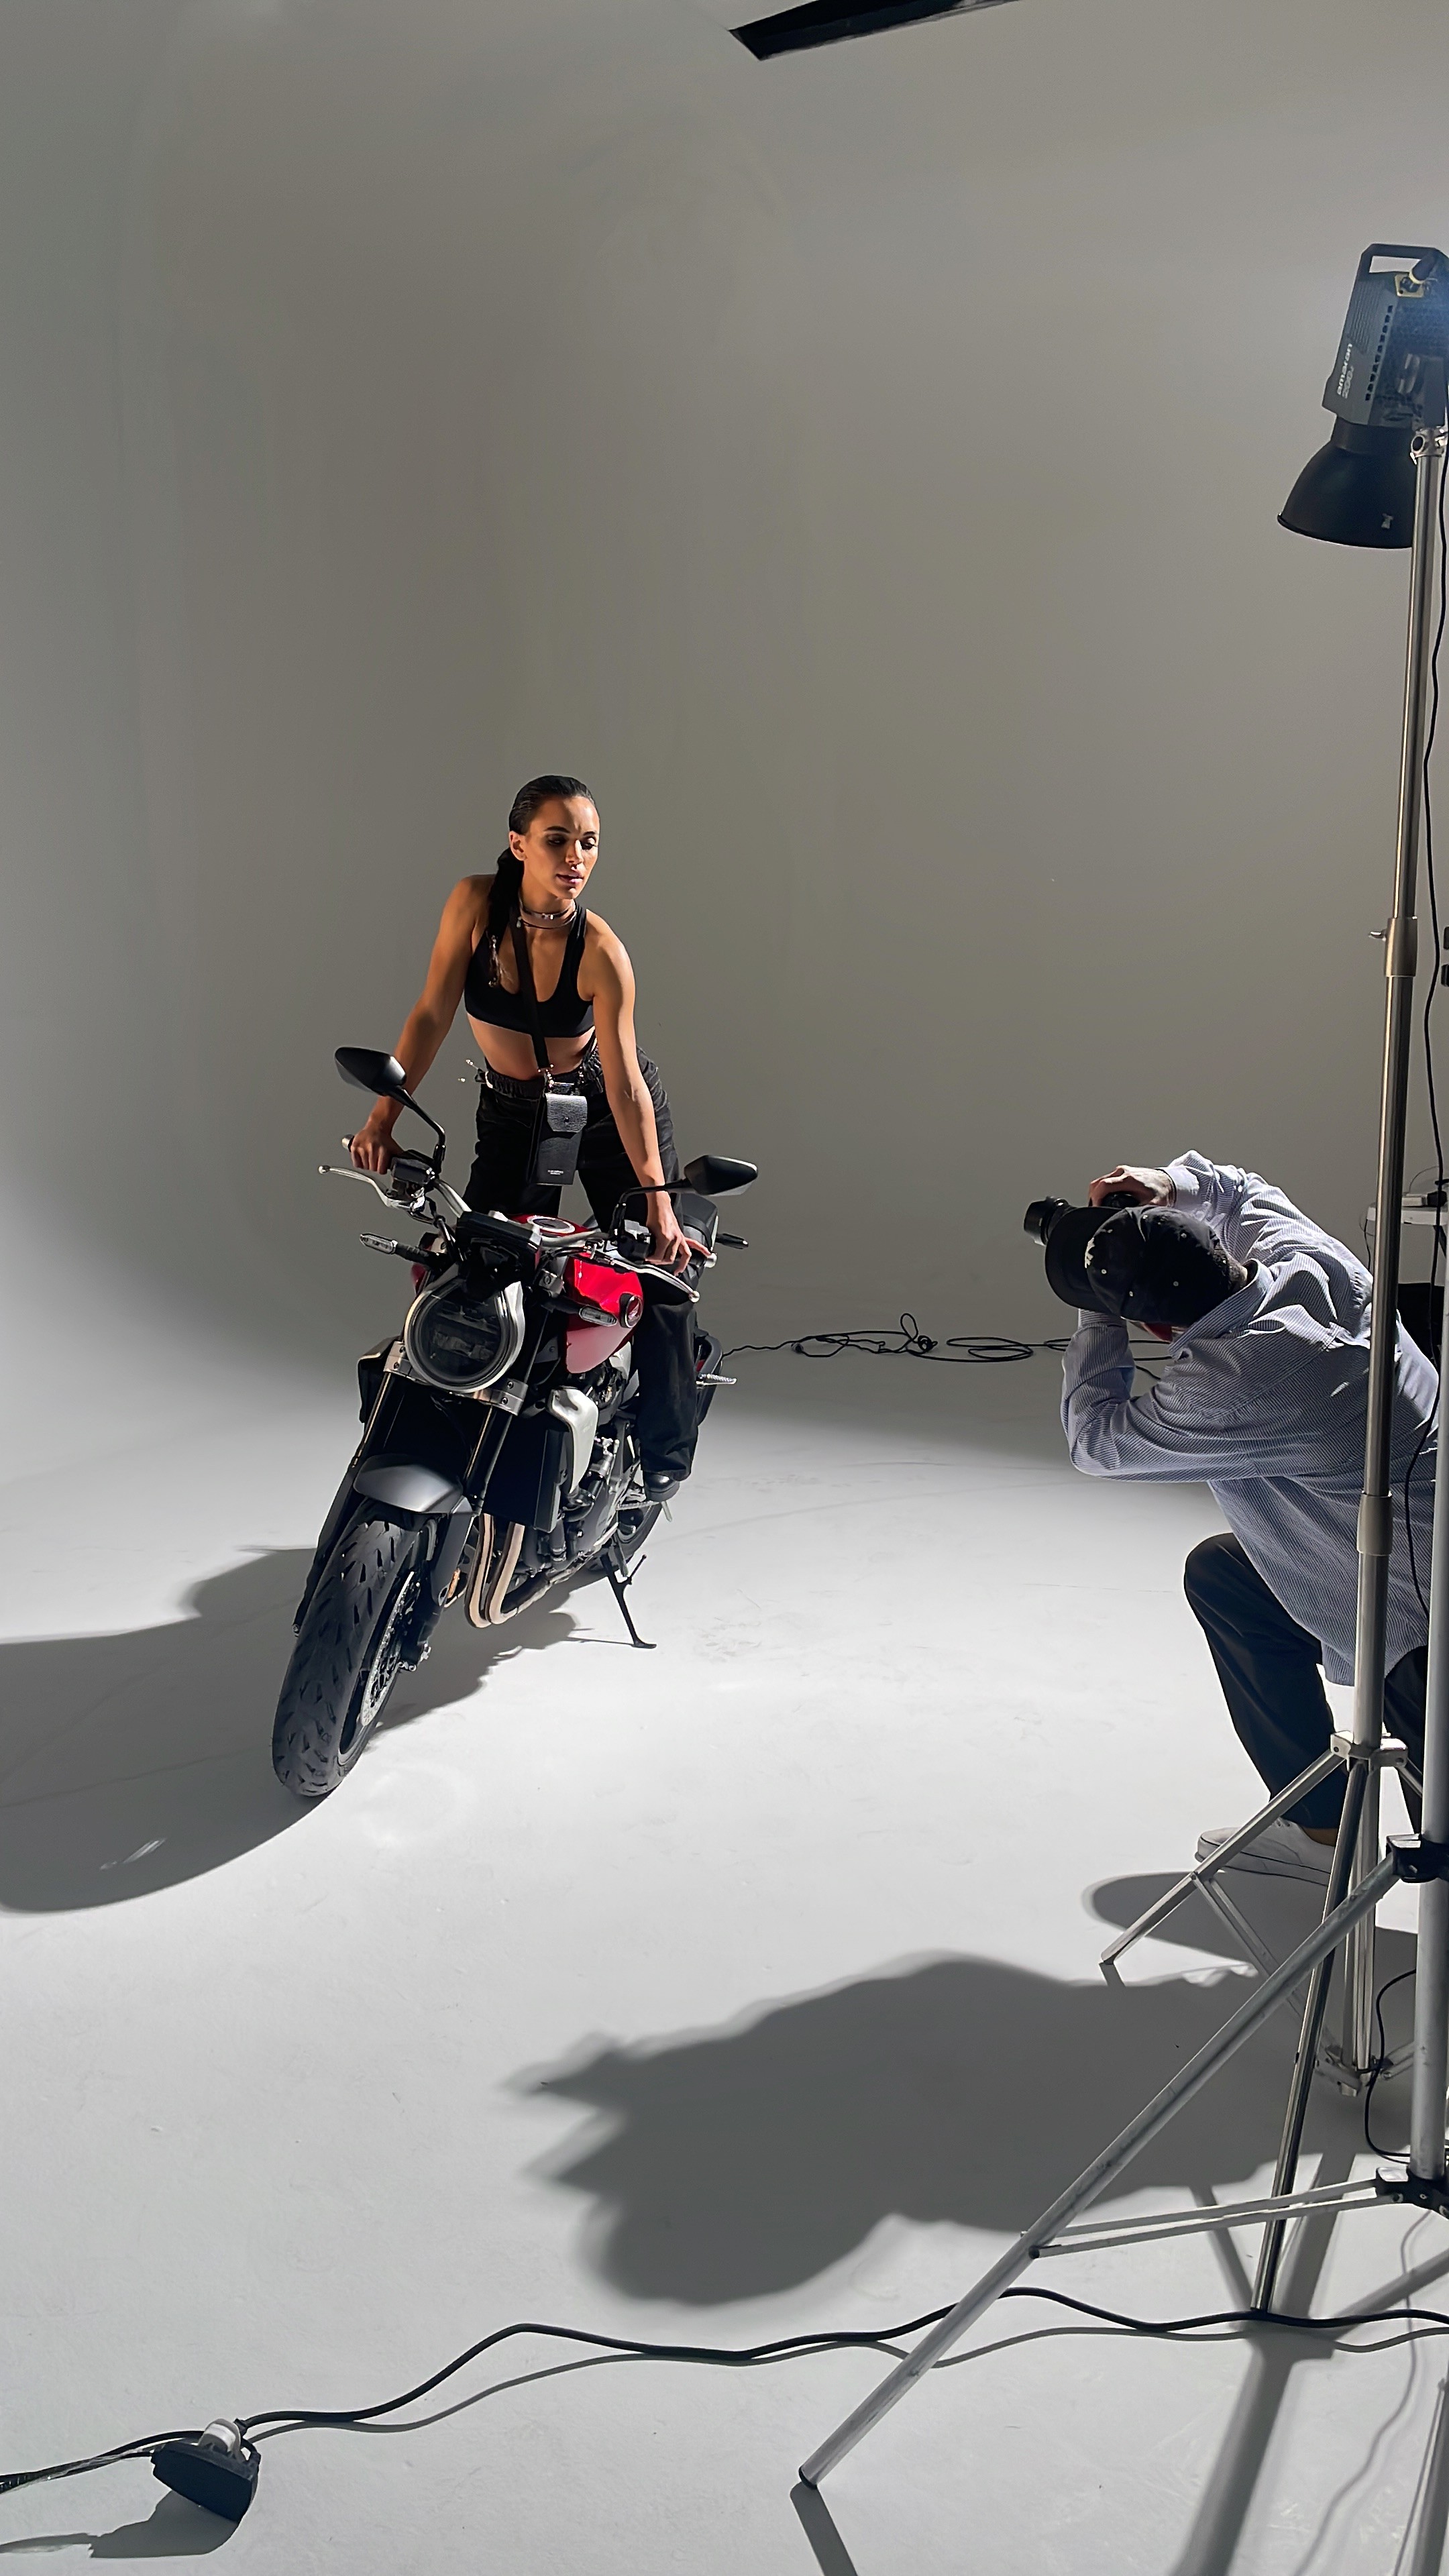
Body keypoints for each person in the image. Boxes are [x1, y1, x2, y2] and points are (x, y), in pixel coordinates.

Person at [1053, 1152, 1438, 1884]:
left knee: (1445, 1871)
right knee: (1227, 1577)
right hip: (1395, 1549)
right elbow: (1240, 1191)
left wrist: (1095, 1305)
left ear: (1155, 1327)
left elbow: (1094, 1443)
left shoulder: (1232, 1385)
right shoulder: (1315, 1266)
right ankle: (1320, 1829)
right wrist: (1167, 1186)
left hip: (1420, 1621)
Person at [349, 773, 700, 1497]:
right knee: (480, 1268)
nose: (576, 857)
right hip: (512, 1113)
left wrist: (660, 1202)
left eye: (589, 843)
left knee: (659, 1272)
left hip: (601, 1109)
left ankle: (664, 1455)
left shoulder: (601, 952)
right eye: (558, 839)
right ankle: (466, 1440)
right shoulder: (474, 906)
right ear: (518, 844)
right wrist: (383, 1117)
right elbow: (431, 1014)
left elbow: (627, 1087)